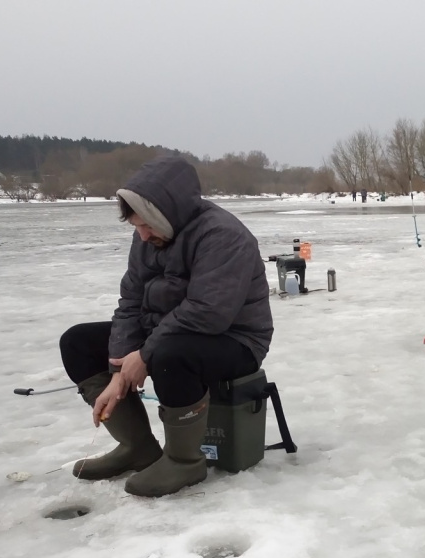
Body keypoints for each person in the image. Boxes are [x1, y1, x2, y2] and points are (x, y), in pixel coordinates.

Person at [58, 156, 273, 497]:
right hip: (167, 332)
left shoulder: (224, 236)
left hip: (235, 340)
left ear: (166, 214)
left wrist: (144, 354)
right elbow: (130, 302)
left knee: (171, 354)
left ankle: (185, 461)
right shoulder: (148, 237)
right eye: (135, 227)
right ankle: (137, 447)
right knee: (78, 342)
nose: (142, 236)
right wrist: (119, 368)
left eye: (146, 225)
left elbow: (207, 313)